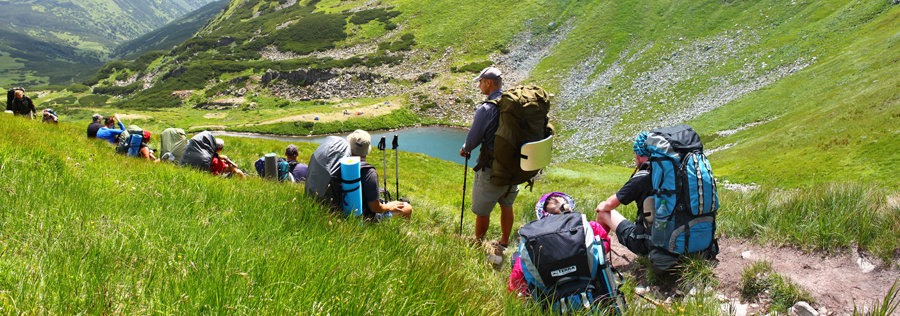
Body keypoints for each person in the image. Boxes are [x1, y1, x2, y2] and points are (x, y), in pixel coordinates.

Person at [458, 67, 517, 258]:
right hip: (513, 167)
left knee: (482, 210)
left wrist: (465, 149)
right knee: (506, 205)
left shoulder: (487, 108)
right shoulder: (513, 105)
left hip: (491, 168)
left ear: (488, 83)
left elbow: (474, 138)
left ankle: (478, 244)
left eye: (480, 81)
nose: (479, 85)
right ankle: (504, 242)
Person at [507, 192, 611, 296]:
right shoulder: (590, 228)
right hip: (591, 290)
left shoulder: (531, 245)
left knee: (516, 257)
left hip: (548, 300)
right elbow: (605, 245)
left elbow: (516, 283)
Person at [594, 132, 658, 267]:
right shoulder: (669, 174)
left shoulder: (643, 176)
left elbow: (611, 204)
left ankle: (597, 258)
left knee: (603, 212)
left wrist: (602, 206)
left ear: (639, 154)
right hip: (675, 238)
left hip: (646, 243)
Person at [348, 130, 412, 221]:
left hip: (344, 212)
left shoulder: (342, 164)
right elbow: (375, 208)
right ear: (367, 150)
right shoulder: (369, 173)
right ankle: (398, 231)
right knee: (407, 208)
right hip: (366, 219)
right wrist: (388, 206)